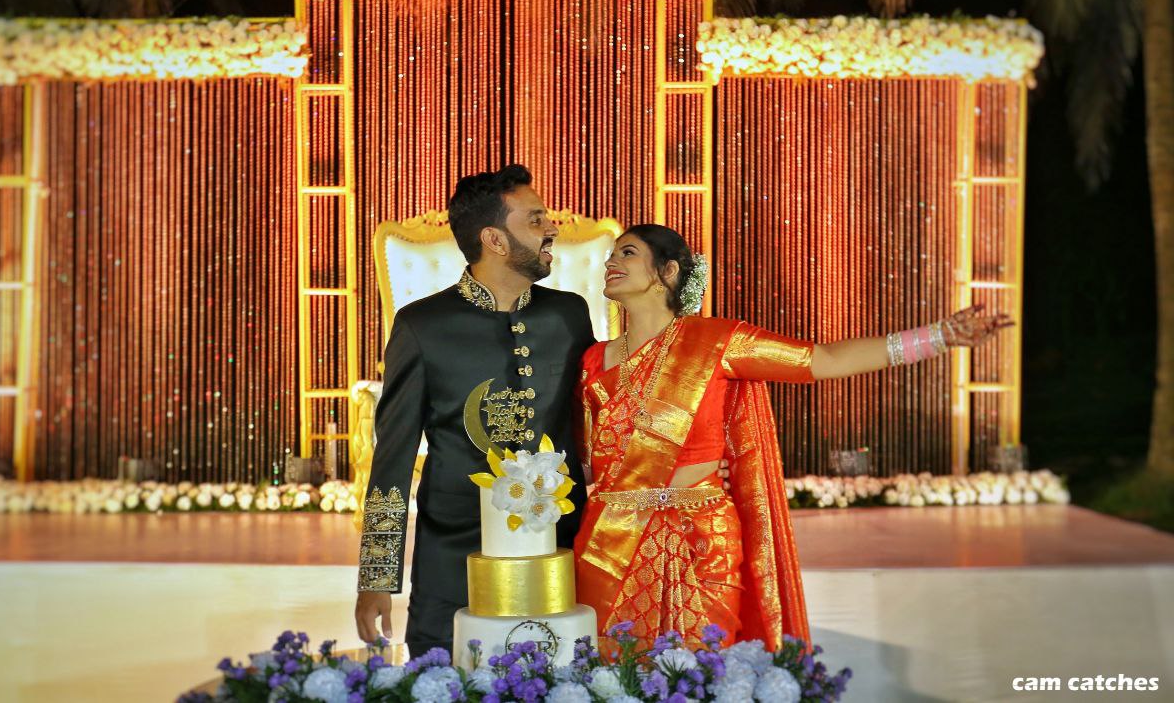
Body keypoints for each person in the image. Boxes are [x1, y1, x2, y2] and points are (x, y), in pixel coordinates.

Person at [573, 224, 1012, 650]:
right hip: (612, 538)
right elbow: (591, 459)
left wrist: (937, 337)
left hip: (700, 537)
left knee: (700, 674)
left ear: (667, 271)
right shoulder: (593, 360)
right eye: (611, 255)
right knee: (612, 671)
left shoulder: (716, 341)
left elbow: (821, 360)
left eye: (626, 252)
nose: (611, 262)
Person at [354, 165, 595, 656]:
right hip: (455, 552)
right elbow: (393, 458)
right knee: (445, 675)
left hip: (560, 545)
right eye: (536, 219)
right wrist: (377, 577)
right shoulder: (423, 326)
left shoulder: (569, 314)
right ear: (495, 239)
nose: (551, 228)